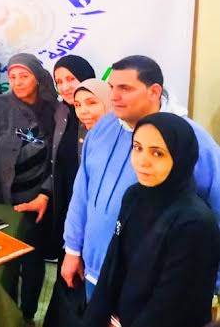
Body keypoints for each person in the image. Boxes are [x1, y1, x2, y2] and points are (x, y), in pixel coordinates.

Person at [62, 55, 220, 301]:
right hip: (95, 270)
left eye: (125, 88)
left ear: (154, 91)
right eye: (112, 87)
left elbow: (215, 209)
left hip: (150, 283)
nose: (114, 96)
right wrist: (72, 249)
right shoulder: (102, 129)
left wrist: (214, 281)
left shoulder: (192, 140)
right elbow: (82, 192)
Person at [84, 113, 220, 327]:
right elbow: (113, 263)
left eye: (157, 153)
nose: (142, 161)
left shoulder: (194, 222)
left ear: (181, 158)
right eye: (137, 148)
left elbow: (172, 306)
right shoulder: (134, 196)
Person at [0, 53, 68, 325]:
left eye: (24, 76)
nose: (17, 82)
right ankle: (5, 315)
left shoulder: (55, 109)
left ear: (37, 78)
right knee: (3, 263)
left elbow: (59, 159)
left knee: (33, 262)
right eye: (12, 77)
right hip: (3, 201)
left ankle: (28, 315)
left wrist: (46, 192)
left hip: (37, 202)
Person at [44, 77, 112, 327]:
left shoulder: (131, 141)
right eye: (78, 105)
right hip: (82, 239)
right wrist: (74, 249)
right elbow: (81, 197)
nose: (83, 111)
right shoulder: (91, 139)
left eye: (92, 103)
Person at [48, 56, 96, 257]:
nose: (65, 87)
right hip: (64, 199)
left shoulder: (99, 114)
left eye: (70, 79)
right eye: (59, 81)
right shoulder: (60, 111)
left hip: (89, 204)